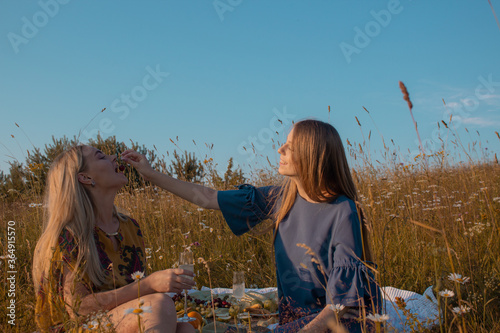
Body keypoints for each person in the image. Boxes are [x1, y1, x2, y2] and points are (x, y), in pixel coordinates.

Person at [122, 119, 381, 332]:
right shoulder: (282, 198)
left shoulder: (344, 211)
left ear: (311, 154)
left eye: (290, 146)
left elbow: (342, 304)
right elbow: (208, 197)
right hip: (294, 321)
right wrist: (151, 174)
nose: (280, 150)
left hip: (337, 323)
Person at [32, 145, 196, 333]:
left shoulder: (130, 228)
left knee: (186, 329)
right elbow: (78, 308)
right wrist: (148, 285)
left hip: (114, 320)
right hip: (74, 327)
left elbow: (133, 295)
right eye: (101, 157)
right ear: (85, 178)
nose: (114, 158)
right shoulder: (67, 236)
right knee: (157, 306)